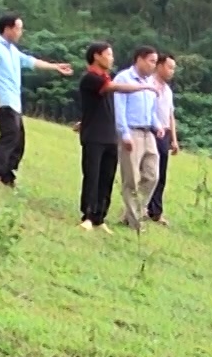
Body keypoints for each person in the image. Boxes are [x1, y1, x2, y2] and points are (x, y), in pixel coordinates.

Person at [0, 12, 70, 187]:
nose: (21, 32)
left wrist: (55, 67)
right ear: (8, 29)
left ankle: (7, 176)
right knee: (9, 137)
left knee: (18, 142)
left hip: (15, 102)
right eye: (19, 28)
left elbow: (31, 62)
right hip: (4, 100)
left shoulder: (13, 51)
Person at [75, 42, 151, 230]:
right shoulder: (91, 78)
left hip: (110, 135)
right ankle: (88, 216)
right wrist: (141, 88)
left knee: (107, 178)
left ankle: (100, 217)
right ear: (96, 56)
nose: (112, 58)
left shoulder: (105, 78)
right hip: (94, 136)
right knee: (92, 176)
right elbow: (114, 88)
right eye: (108, 54)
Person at [112, 46, 162, 230]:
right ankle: (135, 222)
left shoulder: (151, 83)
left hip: (148, 132)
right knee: (131, 178)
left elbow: (151, 110)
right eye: (151, 61)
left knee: (152, 175)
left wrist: (157, 126)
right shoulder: (124, 79)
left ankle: (131, 213)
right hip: (131, 132)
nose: (154, 66)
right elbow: (120, 108)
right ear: (139, 59)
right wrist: (124, 134)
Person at [147, 53, 179, 226]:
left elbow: (170, 115)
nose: (171, 71)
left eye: (173, 68)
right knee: (149, 172)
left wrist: (174, 139)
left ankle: (156, 211)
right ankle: (143, 207)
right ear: (159, 66)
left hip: (164, 134)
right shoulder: (149, 84)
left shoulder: (167, 90)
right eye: (169, 67)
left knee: (161, 174)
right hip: (151, 131)